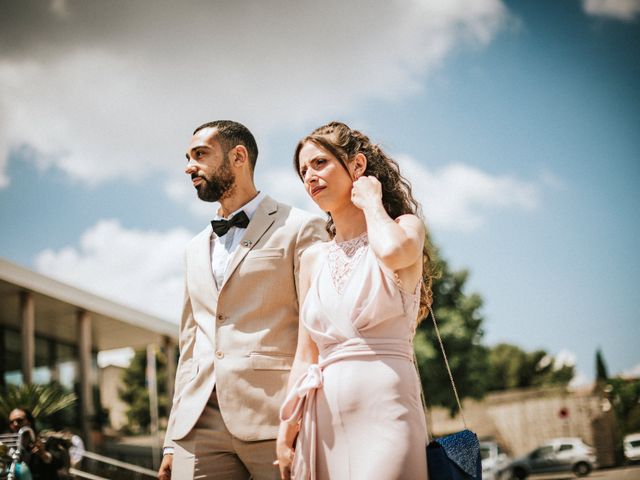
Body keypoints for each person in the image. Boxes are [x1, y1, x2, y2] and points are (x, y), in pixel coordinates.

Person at [158, 120, 326, 480]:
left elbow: (318, 327)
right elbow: (190, 343)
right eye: (188, 157)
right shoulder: (193, 249)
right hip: (198, 424)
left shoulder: (301, 227)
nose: (190, 166)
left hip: (277, 414)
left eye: (200, 155)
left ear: (238, 156)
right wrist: (173, 439)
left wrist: (306, 412)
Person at [276, 121, 433, 479]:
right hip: (323, 418)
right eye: (303, 171)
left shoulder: (406, 227)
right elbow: (306, 354)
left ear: (358, 166)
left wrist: (372, 202)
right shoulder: (313, 258)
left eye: (320, 163)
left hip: (388, 408)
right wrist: (285, 434)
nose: (310, 177)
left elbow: (392, 251)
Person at [8, 408, 68, 480]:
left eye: (19, 420)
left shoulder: (47, 441)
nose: (15, 424)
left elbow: (60, 463)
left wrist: (43, 454)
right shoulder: (10, 447)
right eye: (11, 422)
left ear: (29, 421)